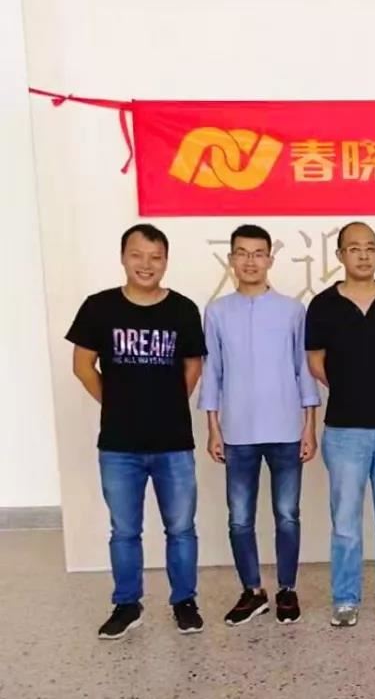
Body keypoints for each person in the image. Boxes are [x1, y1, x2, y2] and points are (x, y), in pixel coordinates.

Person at [66, 224, 207, 639]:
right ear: (123, 257)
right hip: (119, 445)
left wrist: (166, 403)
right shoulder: (99, 307)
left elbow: (193, 366)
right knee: (125, 531)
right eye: (137, 255)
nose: (146, 264)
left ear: (166, 261)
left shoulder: (182, 309)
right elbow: (82, 366)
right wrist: (115, 404)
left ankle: (185, 602)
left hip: (173, 443)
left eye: (155, 257)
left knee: (181, 528)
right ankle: (127, 604)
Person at [198, 224, 320, 627]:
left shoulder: (292, 310)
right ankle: (252, 591)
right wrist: (213, 428)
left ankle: (287, 589)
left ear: (270, 259)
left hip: (286, 429)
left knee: (287, 515)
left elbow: (303, 370)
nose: (250, 261)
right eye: (242, 253)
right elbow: (213, 372)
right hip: (237, 431)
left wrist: (309, 426)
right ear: (231, 259)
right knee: (239, 518)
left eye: (258, 253)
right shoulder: (217, 312)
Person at [306, 222, 375, 627]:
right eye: (354, 248)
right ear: (340, 255)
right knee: (346, 522)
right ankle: (345, 598)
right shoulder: (323, 305)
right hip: (344, 429)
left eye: (370, 247)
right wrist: (349, 388)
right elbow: (315, 361)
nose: (364, 255)